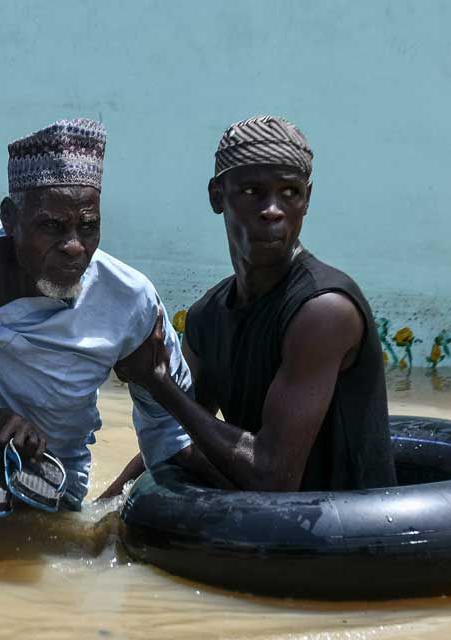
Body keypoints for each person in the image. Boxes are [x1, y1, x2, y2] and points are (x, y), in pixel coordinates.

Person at [0, 119, 226, 510]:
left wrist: (101, 517)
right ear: (9, 219)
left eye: (88, 227)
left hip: (52, 485)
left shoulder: (128, 301)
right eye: (52, 227)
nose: (74, 247)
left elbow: (167, 433)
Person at [115, 116, 396, 491]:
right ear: (218, 196)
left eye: (290, 193)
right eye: (252, 192)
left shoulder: (324, 311)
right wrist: (105, 505)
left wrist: (159, 383)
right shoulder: (207, 316)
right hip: (262, 526)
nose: (273, 210)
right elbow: (182, 432)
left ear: (307, 200)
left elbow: (273, 476)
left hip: (348, 535)